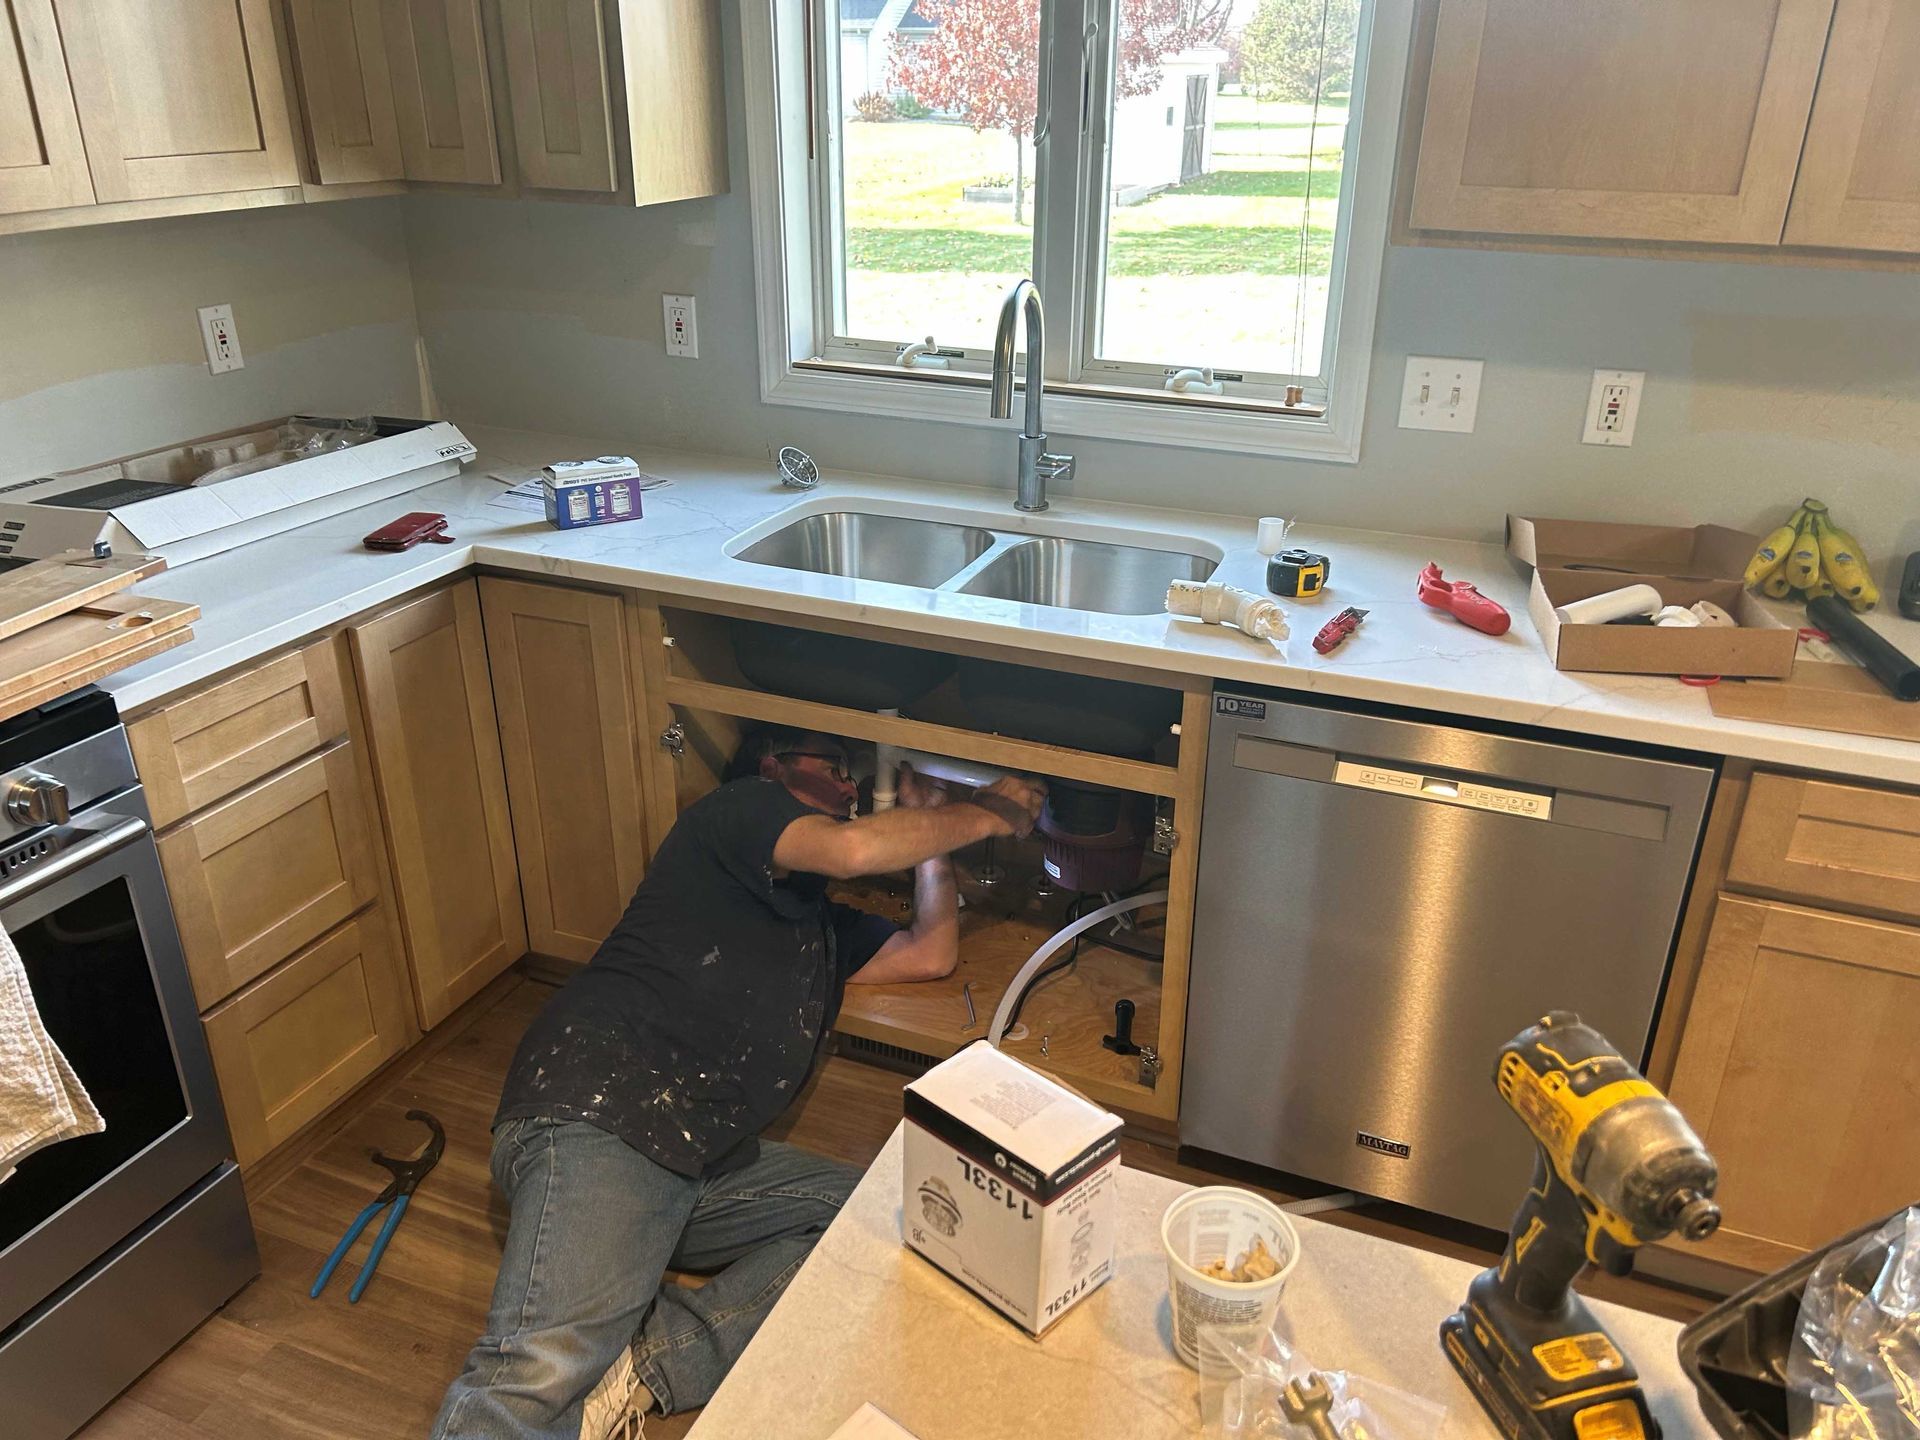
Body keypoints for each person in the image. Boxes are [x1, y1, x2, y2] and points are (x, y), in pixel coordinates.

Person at [431, 729, 1046, 1439]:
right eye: (833, 771)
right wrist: (993, 810)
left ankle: (644, 1366)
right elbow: (852, 850)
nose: (850, 790)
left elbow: (929, 952)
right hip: (608, 1110)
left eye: (854, 778)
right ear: (773, 767)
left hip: (699, 1153)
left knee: (879, 1216)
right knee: (534, 1376)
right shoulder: (735, 810)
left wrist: (936, 835)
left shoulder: (819, 923)